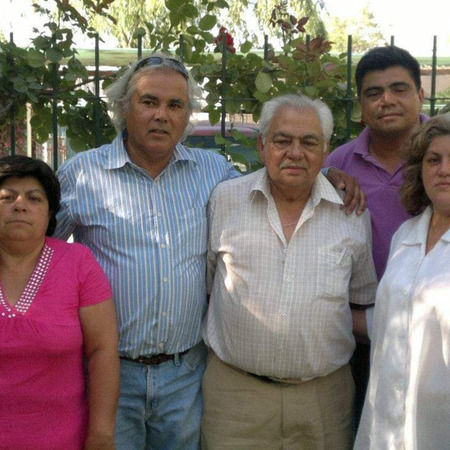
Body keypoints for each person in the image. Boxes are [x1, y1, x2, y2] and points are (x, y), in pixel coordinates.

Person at [55, 53, 365, 449]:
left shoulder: (213, 173)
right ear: (124, 107)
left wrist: (326, 174)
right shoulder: (82, 174)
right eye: (149, 102)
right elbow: (39, 254)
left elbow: (278, 177)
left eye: (175, 105)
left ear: (187, 116)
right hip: (111, 371)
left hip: (184, 377)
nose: (161, 115)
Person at [202, 93, 378, 449]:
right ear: (262, 145)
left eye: (309, 142)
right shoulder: (225, 200)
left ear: (326, 151)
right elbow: (207, 283)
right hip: (234, 398)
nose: (295, 153)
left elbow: (360, 300)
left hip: (323, 399)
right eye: (282, 140)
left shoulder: (352, 215)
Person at [325, 45, 427, 425]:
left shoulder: (442, 154)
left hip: (433, 336)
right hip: (360, 343)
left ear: (420, 95)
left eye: (399, 89)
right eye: (374, 92)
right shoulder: (339, 163)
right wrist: (325, 175)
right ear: (361, 105)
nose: (387, 100)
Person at [0, 155, 119, 449]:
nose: (19, 205)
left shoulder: (77, 263)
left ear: (50, 212)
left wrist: (101, 435)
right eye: (7, 197)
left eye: (34, 198)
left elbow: (102, 351)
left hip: (62, 439)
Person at [355, 113, 450, 449]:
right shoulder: (406, 235)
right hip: (387, 423)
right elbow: (393, 316)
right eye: (434, 160)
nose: (444, 170)